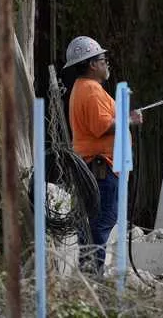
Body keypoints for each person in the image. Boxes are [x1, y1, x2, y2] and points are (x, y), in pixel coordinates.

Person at [64, 35, 142, 276]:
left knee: (93, 225)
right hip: (102, 171)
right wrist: (130, 120)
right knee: (101, 224)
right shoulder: (91, 91)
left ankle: (89, 276)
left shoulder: (83, 88)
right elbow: (102, 126)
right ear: (91, 64)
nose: (106, 63)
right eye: (102, 59)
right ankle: (92, 279)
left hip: (96, 169)